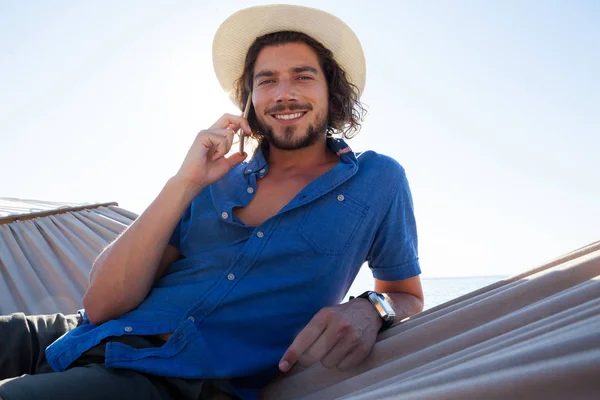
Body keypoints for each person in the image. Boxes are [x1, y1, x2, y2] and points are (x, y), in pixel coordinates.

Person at [0, 4, 423, 400]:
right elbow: (101, 305)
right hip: (81, 332)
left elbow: (406, 294)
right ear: (249, 100)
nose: (284, 93)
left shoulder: (378, 179)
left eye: (303, 76)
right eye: (266, 80)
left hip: (171, 379)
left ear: (332, 91)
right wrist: (183, 182)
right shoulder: (213, 179)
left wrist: (372, 308)